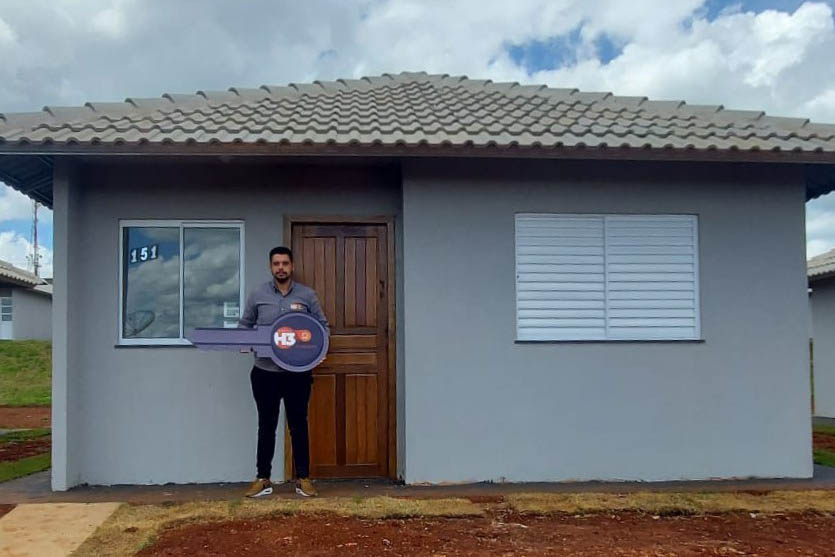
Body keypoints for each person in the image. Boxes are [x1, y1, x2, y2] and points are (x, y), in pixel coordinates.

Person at [238, 246, 329, 498]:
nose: (281, 268)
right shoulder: (258, 294)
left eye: (285, 263)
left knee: (298, 425)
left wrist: (320, 350)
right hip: (264, 372)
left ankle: (303, 479)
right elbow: (245, 324)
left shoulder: (307, 295)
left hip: (297, 374)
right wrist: (245, 342)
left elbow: (322, 326)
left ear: (292, 266)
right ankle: (263, 479)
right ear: (271, 267)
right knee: (266, 425)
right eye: (276, 264)